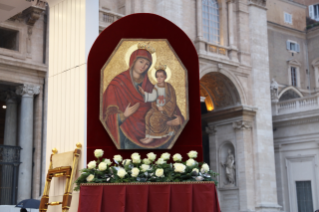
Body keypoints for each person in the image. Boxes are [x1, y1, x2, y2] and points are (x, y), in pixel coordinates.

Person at [102, 43, 183, 149]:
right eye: (141, 62)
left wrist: (179, 119)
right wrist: (124, 115)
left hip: (156, 130)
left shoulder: (151, 86)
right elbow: (107, 116)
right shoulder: (117, 84)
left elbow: (169, 102)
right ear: (133, 61)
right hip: (127, 135)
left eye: (147, 64)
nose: (143, 66)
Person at [138, 66, 179, 144]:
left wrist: (163, 108)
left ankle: (152, 137)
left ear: (165, 77)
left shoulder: (169, 87)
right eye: (157, 77)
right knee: (147, 116)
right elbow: (153, 96)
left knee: (154, 118)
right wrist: (144, 93)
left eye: (161, 77)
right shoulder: (156, 86)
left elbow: (172, 101)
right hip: (156, 108)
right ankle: (148, 135)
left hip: (166, 110)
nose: (159, 79)